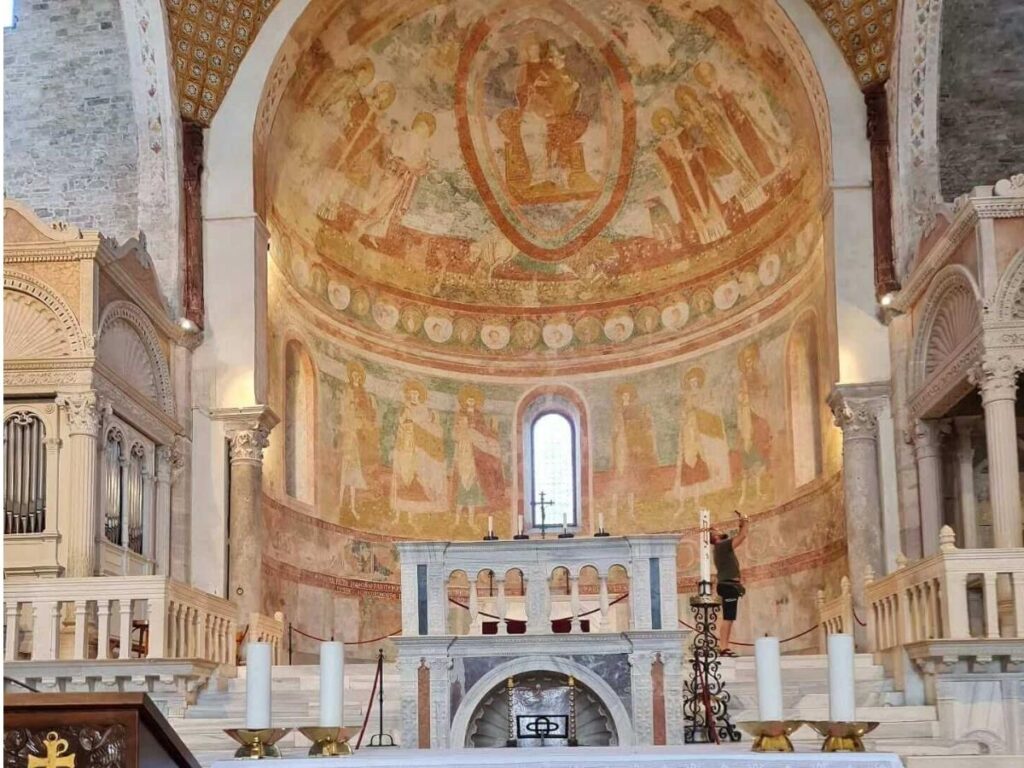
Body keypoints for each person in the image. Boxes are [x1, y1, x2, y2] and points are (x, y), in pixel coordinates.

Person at [711, 510, 748, 656]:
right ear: (714, 537)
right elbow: (742, 536)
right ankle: (723, 648)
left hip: (728, 585)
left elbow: (739, 534)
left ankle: (724, 647)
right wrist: (745, 522)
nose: (719, 530)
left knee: (729, 617)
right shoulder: (722, 546)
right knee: (728, 617)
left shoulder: (721, 548)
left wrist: (741, 525)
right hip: (728, 585)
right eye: (716, 530)